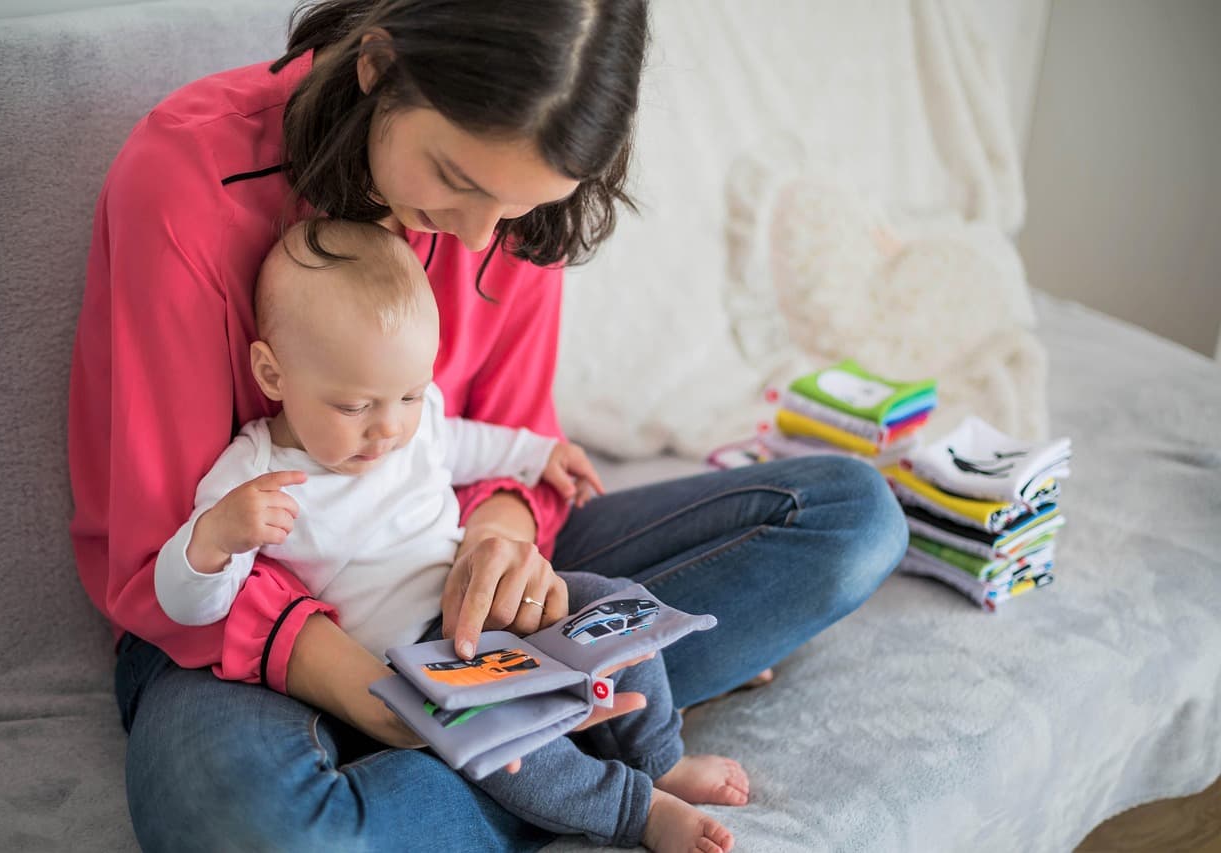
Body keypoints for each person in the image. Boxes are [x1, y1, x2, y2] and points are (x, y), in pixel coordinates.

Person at [68, 1, 909, 850]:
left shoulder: (511, 207)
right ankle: (565, 757)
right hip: (233, 630)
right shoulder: (184, 181)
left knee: (853, 518)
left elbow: (508, 441)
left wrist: (500, 543)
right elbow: (167, 554)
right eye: (458, 180)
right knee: (258, 832)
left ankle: (529, 741)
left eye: (517, 206)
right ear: (378, 65)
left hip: (452, 591)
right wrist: (375, 693)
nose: (480, 236)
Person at [153, 218, 748, 850]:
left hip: (484, 597)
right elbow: (188, 606)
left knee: (616, 603)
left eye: (409, 396)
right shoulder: (255, 471)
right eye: (354, 407)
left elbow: (463, 442)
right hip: (419, 658)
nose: (388, 431)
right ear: (273, 375)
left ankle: (659, 757)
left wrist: (536, 453)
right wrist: (216, 538)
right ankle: (634, 810)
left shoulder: (412, 417)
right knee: (506, 743)